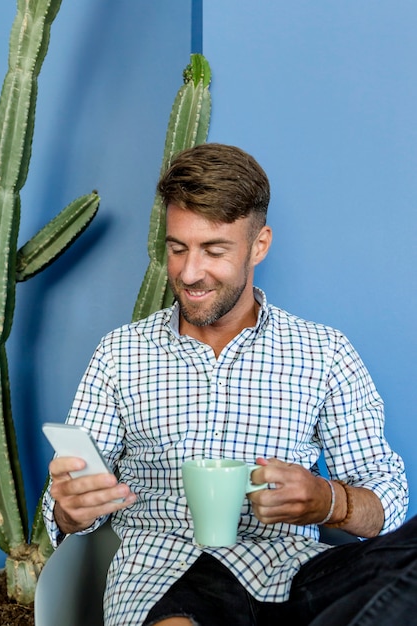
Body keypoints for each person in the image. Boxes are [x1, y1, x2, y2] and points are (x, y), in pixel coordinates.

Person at [43, 143, 412, 626]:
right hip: (163, 575)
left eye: (214, 250)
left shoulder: (325, 353)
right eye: (177, 249)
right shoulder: (120, 353)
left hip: (292, 574)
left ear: (259, 245)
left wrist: (329, 501)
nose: (190, 272)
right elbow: (70, 504)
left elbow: (387, 497)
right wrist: (70, 509)